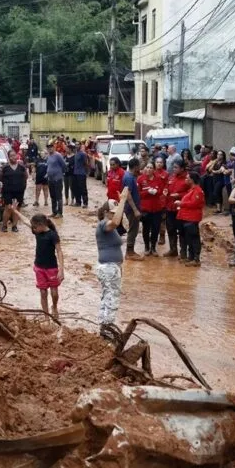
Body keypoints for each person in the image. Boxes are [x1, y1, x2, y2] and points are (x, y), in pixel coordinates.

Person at [14, 207, 64, 321]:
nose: (33, 229)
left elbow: (59, 251)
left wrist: (61, 269)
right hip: (39, 267)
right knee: (43, 292)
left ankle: (54, 306)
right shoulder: (37, 231)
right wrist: (15, 211)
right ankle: (46, 316)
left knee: (54, 293)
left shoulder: (53, 235)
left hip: (51, 267)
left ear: (41, 225)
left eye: (35, 227)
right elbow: (26, 221)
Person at [95, 189, 129, 338]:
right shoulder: (104, 224)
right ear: (105, 212)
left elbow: (117, 224)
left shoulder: (109, 228)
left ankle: (104, 327)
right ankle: (107, 329)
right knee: (111, 298)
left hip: (111, 267)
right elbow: (115, 222)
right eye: (112, 213)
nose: (115, 215)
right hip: (108, 267)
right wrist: (123, 201)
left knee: (107, 296)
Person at [176, 172, 205, 267]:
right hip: (187, 217)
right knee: (189, 238)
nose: (186, 179)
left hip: (192, 218)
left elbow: (194, 204)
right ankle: (191, 257)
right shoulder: (191, 190)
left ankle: (196, 259)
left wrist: (181, 204)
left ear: (192, 180)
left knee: (194, 238)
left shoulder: (198, 191)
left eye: (187, 178)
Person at [138, 162, 164, 256]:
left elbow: (162, 191)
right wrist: (147, 192)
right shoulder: (141, 179)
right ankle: (146, 247)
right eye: (147, 167)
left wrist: (157, 191)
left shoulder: (158, 179)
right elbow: (138, 194)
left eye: (151, 168)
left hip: (156, 209)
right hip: (145, 209)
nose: (148, 169)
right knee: (146, 228)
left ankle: (153, 247)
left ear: (154, 170)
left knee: (155, 229)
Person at [165, 161, 190, 258]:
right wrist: (165, 191)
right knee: (171, 229)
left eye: (176, 167)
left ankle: (183, 252)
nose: (174, 169)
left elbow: (190, 192)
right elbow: (167, 187)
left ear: (182, 168)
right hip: (170, 207)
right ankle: (173, 250)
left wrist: (179, 195)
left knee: (182, 230)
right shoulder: (171, 177)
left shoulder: (187, 179)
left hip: (180, 209)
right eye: (173, 167)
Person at [0, 149, 28, 232]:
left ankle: (14, 226)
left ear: (17, 156)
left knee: (17, 208)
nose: (13, 157)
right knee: (8, 208)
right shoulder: (5, 167)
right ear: (8, 157)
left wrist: (23, 186)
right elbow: (0, 178)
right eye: (11, 156)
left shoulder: (22, 167)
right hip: (8, 191)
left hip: (19, 190)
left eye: (14, 155)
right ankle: (4, 226)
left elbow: (26, 176)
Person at [122, 158, 143, 260]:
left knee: (134, 229)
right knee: (133, 230)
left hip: (131, 207)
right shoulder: (129, 178)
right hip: (131, 208)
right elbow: (128, 195)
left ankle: (131, 251)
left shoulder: (129, 176)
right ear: (135, 167)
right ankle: (129, 252)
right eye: (139, 166)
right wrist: (135, 210)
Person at [46, 143, 66, 218]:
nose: (49, 148)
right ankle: (54, 212)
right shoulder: (48, 156)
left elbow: (64, 165)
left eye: (51, 147)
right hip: (50, 179)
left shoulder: (58, 155)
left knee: (58, 196)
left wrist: (60, 173)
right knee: (53, 196)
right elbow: (49, 166)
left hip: (58, 179)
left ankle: (60, 213)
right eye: (48, 147)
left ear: (53, 147)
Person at [73, 142, 89, 208]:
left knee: (83, 188)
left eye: (78, 145)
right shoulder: (75, 153)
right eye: (76, 144)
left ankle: (85, 203)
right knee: (76, 188)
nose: (77, 146)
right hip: (75, 173)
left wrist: (86, 172)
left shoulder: (83, 154)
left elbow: (86, 163)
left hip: (81, 173)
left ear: (80, 146)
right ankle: (78, 202)